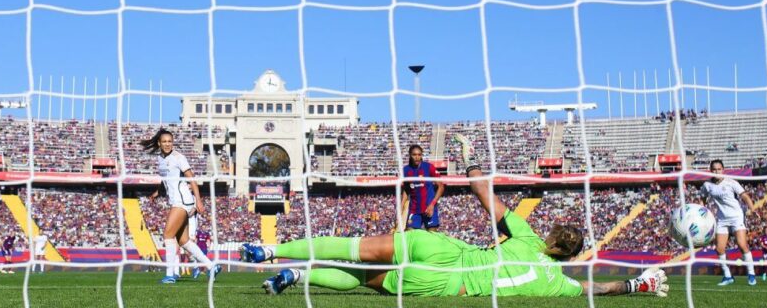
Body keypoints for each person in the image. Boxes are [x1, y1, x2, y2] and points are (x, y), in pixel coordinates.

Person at [239, 135, 668, 298]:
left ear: (553, 235)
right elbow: (599, 288)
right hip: (450, 285)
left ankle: (273, 251)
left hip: (447, 250)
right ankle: (295, 273)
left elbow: (483, 193)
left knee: (355, 248)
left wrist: (469, 161)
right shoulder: (559, 284)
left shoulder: (526, 235)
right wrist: (636, 284)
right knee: (359, 277)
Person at [141, 128, 221, 284]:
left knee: (168, 236)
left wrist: (198, 200)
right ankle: (211, 267)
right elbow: (166, 181)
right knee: (183, 241)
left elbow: (192, 179)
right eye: (164, 141)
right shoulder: (160, 160)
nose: (167, 144)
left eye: (170, 141)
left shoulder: (179, 158)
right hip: (175, 201)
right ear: (159, 143)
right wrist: (156, 194)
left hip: (183, 201)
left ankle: (170, 274)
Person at [699, 160, 756, 286]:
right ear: (711, 170)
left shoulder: (731, 182)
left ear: (723, 169)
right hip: (722, 219)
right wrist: (701, 212)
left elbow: (745, 196)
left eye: (719, 169)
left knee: (742, 245)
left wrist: (752, 209)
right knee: (719, 249)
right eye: (714, 169)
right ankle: (728, 276)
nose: (717, 171)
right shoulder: (707, 185)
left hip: (736, 217)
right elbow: (702, 199)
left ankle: (751, 274)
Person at [398, 145, 444, 231]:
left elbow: (441, 187)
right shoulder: (405, 170)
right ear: (410, 155)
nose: (417, 157)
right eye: (414, 155)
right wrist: (400, 207)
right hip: (414, 210)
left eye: (419, 155)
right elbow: (406, 190)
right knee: (410, 235)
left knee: (432, 236)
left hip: (429, 208)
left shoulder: (428, 167)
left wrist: (432, 204)